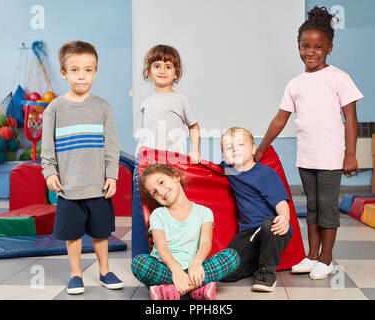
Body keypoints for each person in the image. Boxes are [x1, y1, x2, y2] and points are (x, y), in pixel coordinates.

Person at [254, 6, 364, 280]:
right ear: (298, 47)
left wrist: (350, 154)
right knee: (312, 207)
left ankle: (326, 258)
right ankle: (312, 255)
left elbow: (351, 119)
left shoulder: (339, 78)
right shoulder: (295, 84)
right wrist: (261, 147)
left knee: (327, 207)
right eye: (305, 46)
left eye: (317, 46)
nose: (310, 51)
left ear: (329, 48)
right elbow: (280, 119)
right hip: (306, 156)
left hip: (330, 156)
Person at [41, 40, 123, 294]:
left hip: (97, 186)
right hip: (69, 187)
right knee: (72, 235)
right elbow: (48, 148)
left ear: (96, 72)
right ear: (64, 73)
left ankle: (104, 271)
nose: (82, 75)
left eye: (88, 70)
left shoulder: (103, 107)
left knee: (101, 233)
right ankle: (76, 274)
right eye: (75, 70)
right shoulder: (54, 109)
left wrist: (112, 176)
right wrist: (50, 172)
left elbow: (111, 146)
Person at [131, 163, 240, 300]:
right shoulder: (158, 215)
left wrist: (197, 262)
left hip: (195, 269)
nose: (160, 191)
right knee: (139, 264)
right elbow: (162, 248)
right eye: (154, 192)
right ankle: (196, 288)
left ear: (175, 177)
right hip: (167, 270)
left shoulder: (204, 212)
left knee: (232, 256)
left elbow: (206, 243)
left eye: (161, 182)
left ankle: (172, 290)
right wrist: (176, 270)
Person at [132, 45, 201, 257]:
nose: (162, 70)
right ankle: (149, 250)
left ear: (176, 73)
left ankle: (178, 249)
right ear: (149, 71)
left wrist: (195, 151)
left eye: (168, 66)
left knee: (172, 203)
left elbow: (194, 126)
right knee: (148, 203)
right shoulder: (146, 102)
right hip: (149, 161)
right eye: (157, 65)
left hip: (172, 162)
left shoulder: (181, 99)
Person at [219, 127, 292, 292]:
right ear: (224, 156)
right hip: (248, 232)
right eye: (229, 148)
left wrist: (284, 218)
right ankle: (256, 261)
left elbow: (281, 203)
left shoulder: (265, 174)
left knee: (268, 223)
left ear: (253, 149)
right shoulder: (230, 171)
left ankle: (267, 272)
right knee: (227, 274)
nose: (235, 149)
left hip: (274, 229)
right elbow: (207, 169)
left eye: (240, 144)